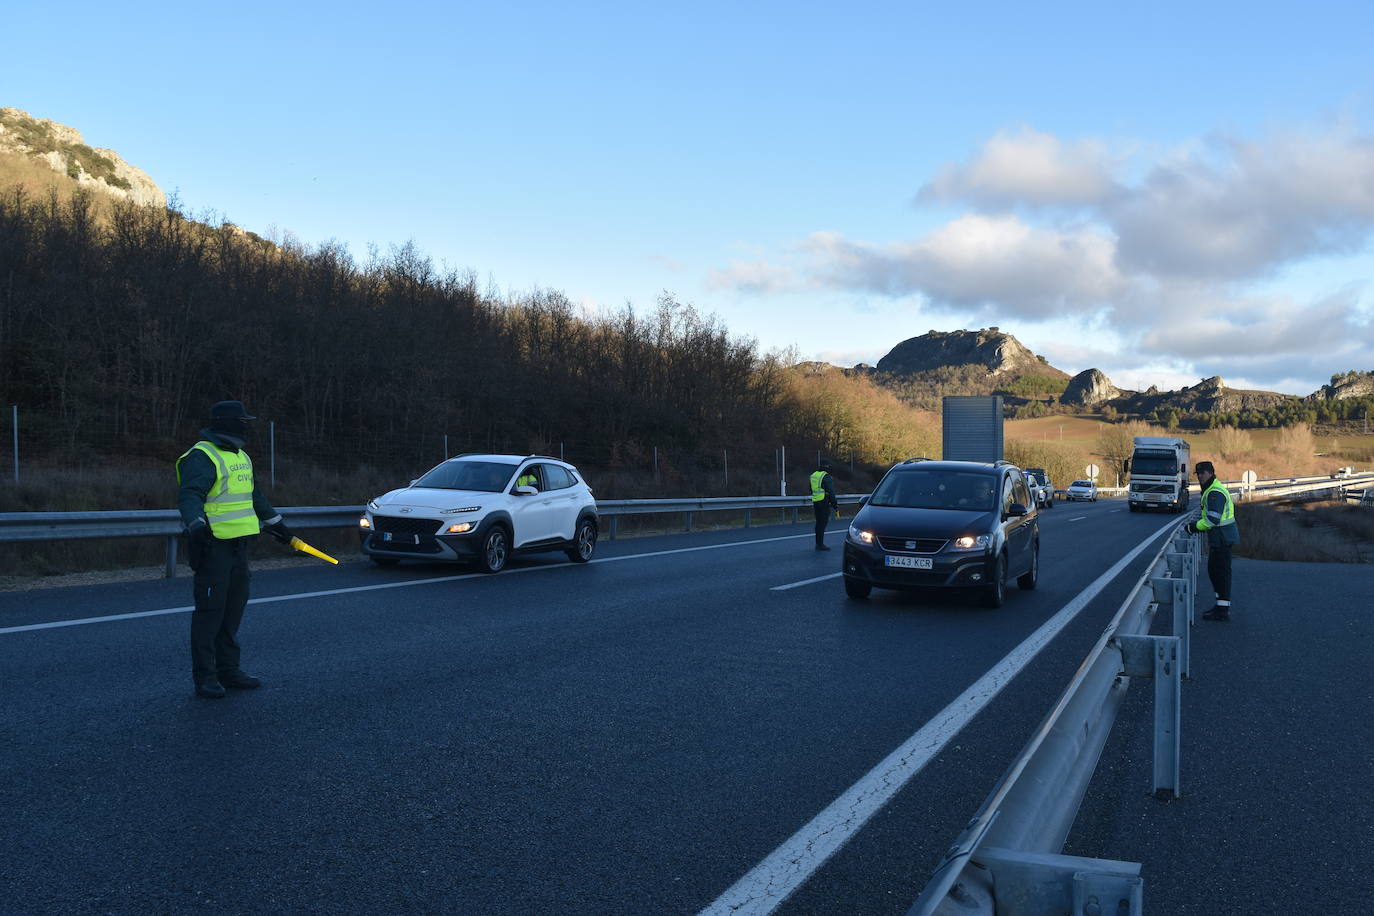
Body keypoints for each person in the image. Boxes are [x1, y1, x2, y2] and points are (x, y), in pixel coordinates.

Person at [176, 401, 293, 698]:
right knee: (209, 614)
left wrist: (276, 523)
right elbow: (190, 495)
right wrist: (196, 525)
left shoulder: (241, 456)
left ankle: (229, 670)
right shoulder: (202, 456)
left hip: (240, 548)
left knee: (232, 613)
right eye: (242, 420)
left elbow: (254, 495)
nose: (246, 426)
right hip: (214, 548)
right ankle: (205, 677)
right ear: (228, 422)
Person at [1184, 460, 1239, 621]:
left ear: (1211, 473)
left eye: (1203, 473)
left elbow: (1212, 519)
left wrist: (1193, 527)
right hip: (1220, 538)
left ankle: (1222, 610)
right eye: (1198, 473)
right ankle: (1221, 606)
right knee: (1215, 571)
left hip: (1222, 537)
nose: (1200, 476)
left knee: (1219, 572)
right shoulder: (1211, 489)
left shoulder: (1215, 492)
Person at [810, 458, 839, 551]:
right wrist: (834, 503)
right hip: (824, 502)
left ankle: (818, 543)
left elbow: (811, 489)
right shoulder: (826, 476)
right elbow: (831, 491)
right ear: (827, 467)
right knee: (822, 523)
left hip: (816, 501)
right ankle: (820, 544)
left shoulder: (813, 475)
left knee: (818, 523)